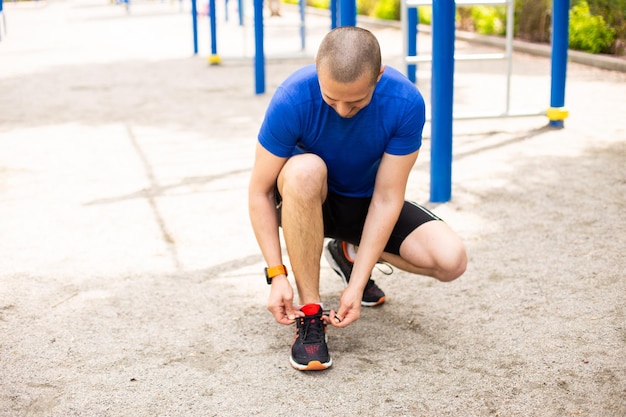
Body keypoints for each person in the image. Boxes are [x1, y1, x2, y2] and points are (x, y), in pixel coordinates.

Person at [248, 26, 467, 371]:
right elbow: (259, 191)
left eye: (355, 102)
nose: (341, 110)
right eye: (330, 98)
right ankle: (310, 313)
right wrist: (276, 274)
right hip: (304, 202)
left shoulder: (405, 102)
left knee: (451, 261)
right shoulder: (292, 96)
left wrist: (358, 282)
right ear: (318, 72)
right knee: (305, 169)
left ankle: (348, 253)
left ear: (378, 77)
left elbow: (386, 198)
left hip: (365, 204)